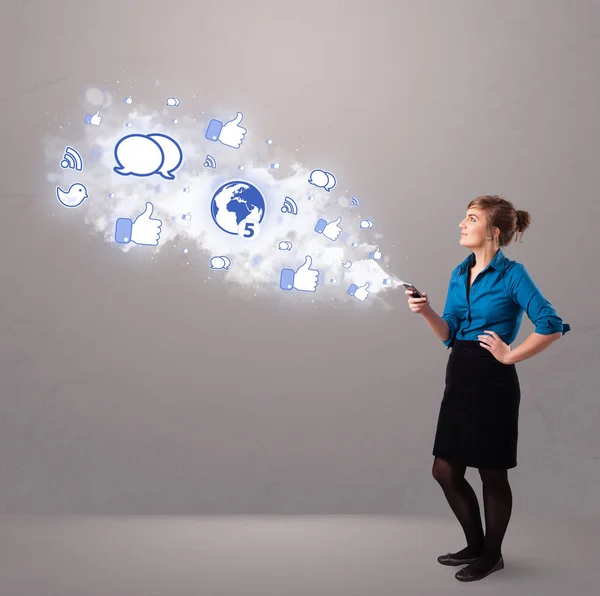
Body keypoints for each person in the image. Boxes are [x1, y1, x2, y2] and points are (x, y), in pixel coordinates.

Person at [405, 195, 570, 583]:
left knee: (491, 473)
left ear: (493, 232)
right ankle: (476, 546)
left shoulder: (514, 275)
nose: (462, 224)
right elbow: (449, 332)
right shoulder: (458, 271)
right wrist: (425, 310)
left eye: (472, 218)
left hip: (492, 381)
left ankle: (492, 555)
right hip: (459, 374)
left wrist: (510, 356)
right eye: (464, 217)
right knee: (445, 470)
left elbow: (551, 324)